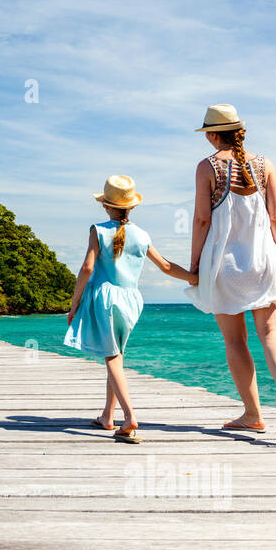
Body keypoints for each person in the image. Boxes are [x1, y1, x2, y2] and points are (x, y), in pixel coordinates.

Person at [186, 103, 276, 445]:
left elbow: (202, 220)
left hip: (223, 264)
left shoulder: (207, 167)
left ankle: (253, 414)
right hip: (263, 260)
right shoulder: (265, 164)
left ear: (211, 135)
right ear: (240, 131)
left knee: (235, 340)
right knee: (271, 333)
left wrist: (195, 266)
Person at [66, 175, 198, 443]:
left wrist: (74, 302)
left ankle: (129, 417)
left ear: (105, 205)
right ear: (131, 207)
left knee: (111, 357)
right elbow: (167, 266)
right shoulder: (142, 235)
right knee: (115, 355)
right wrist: (195, 279)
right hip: (131, 301)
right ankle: (107, 416)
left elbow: (87, 268)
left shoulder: (98, 230)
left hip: (104, 299)